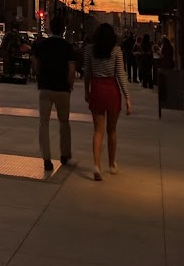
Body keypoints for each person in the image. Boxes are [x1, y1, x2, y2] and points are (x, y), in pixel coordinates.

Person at [84, 23, 132, 180]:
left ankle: (96, 165)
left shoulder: (90, 50)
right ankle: (111, 164)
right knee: (112, 130)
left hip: (97, 89)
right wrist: (127, 97)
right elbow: (121, 74)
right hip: (112, 90)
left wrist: (87, 91)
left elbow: (87, 73)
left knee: (98, 131)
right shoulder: (116, 51)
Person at [31, 15, 77, 172]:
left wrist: (39, 73)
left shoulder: (42, 44)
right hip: (62, 88)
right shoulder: (67, 47)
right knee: (64, 122)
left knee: (44, 124)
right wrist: (70, 84)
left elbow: (34, 60)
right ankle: (65, 153)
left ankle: (47, 159)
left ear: (50, 28)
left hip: (45, 87)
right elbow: (71, 69)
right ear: (63, 29)